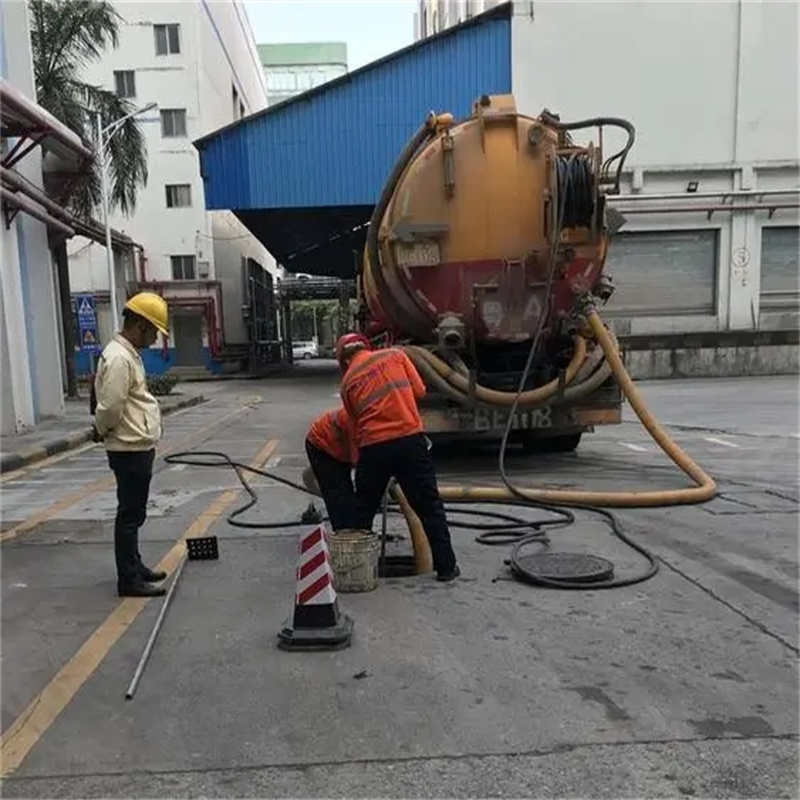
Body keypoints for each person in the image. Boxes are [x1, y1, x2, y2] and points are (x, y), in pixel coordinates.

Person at [335, 333, 460, 582]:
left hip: (373, 449)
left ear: (343, 361)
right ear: (366, 346)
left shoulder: (347, 383)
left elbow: (355, 421)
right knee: (429, 507)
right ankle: (446, 568)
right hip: (409, 442)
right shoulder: (395, 355)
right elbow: (420, 391)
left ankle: (359, 573)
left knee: (363, 512)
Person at [93, 292, 170, 598]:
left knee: (134, 512)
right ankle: (128, 579)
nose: (154, 339)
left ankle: (134, 566)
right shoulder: (118, 358)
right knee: (129, 514)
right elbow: (111, 406)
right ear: (139, 325)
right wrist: (100, 429)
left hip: (136, 446)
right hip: (128, 448)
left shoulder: (126, 354)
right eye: (153, 332)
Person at [304, 406, 359, 531]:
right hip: (321, 446)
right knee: (338, 495)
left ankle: (352, 530)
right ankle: (344, 535)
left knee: (348, 494)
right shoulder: (357, 423)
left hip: (340, 448)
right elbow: (361, 465)